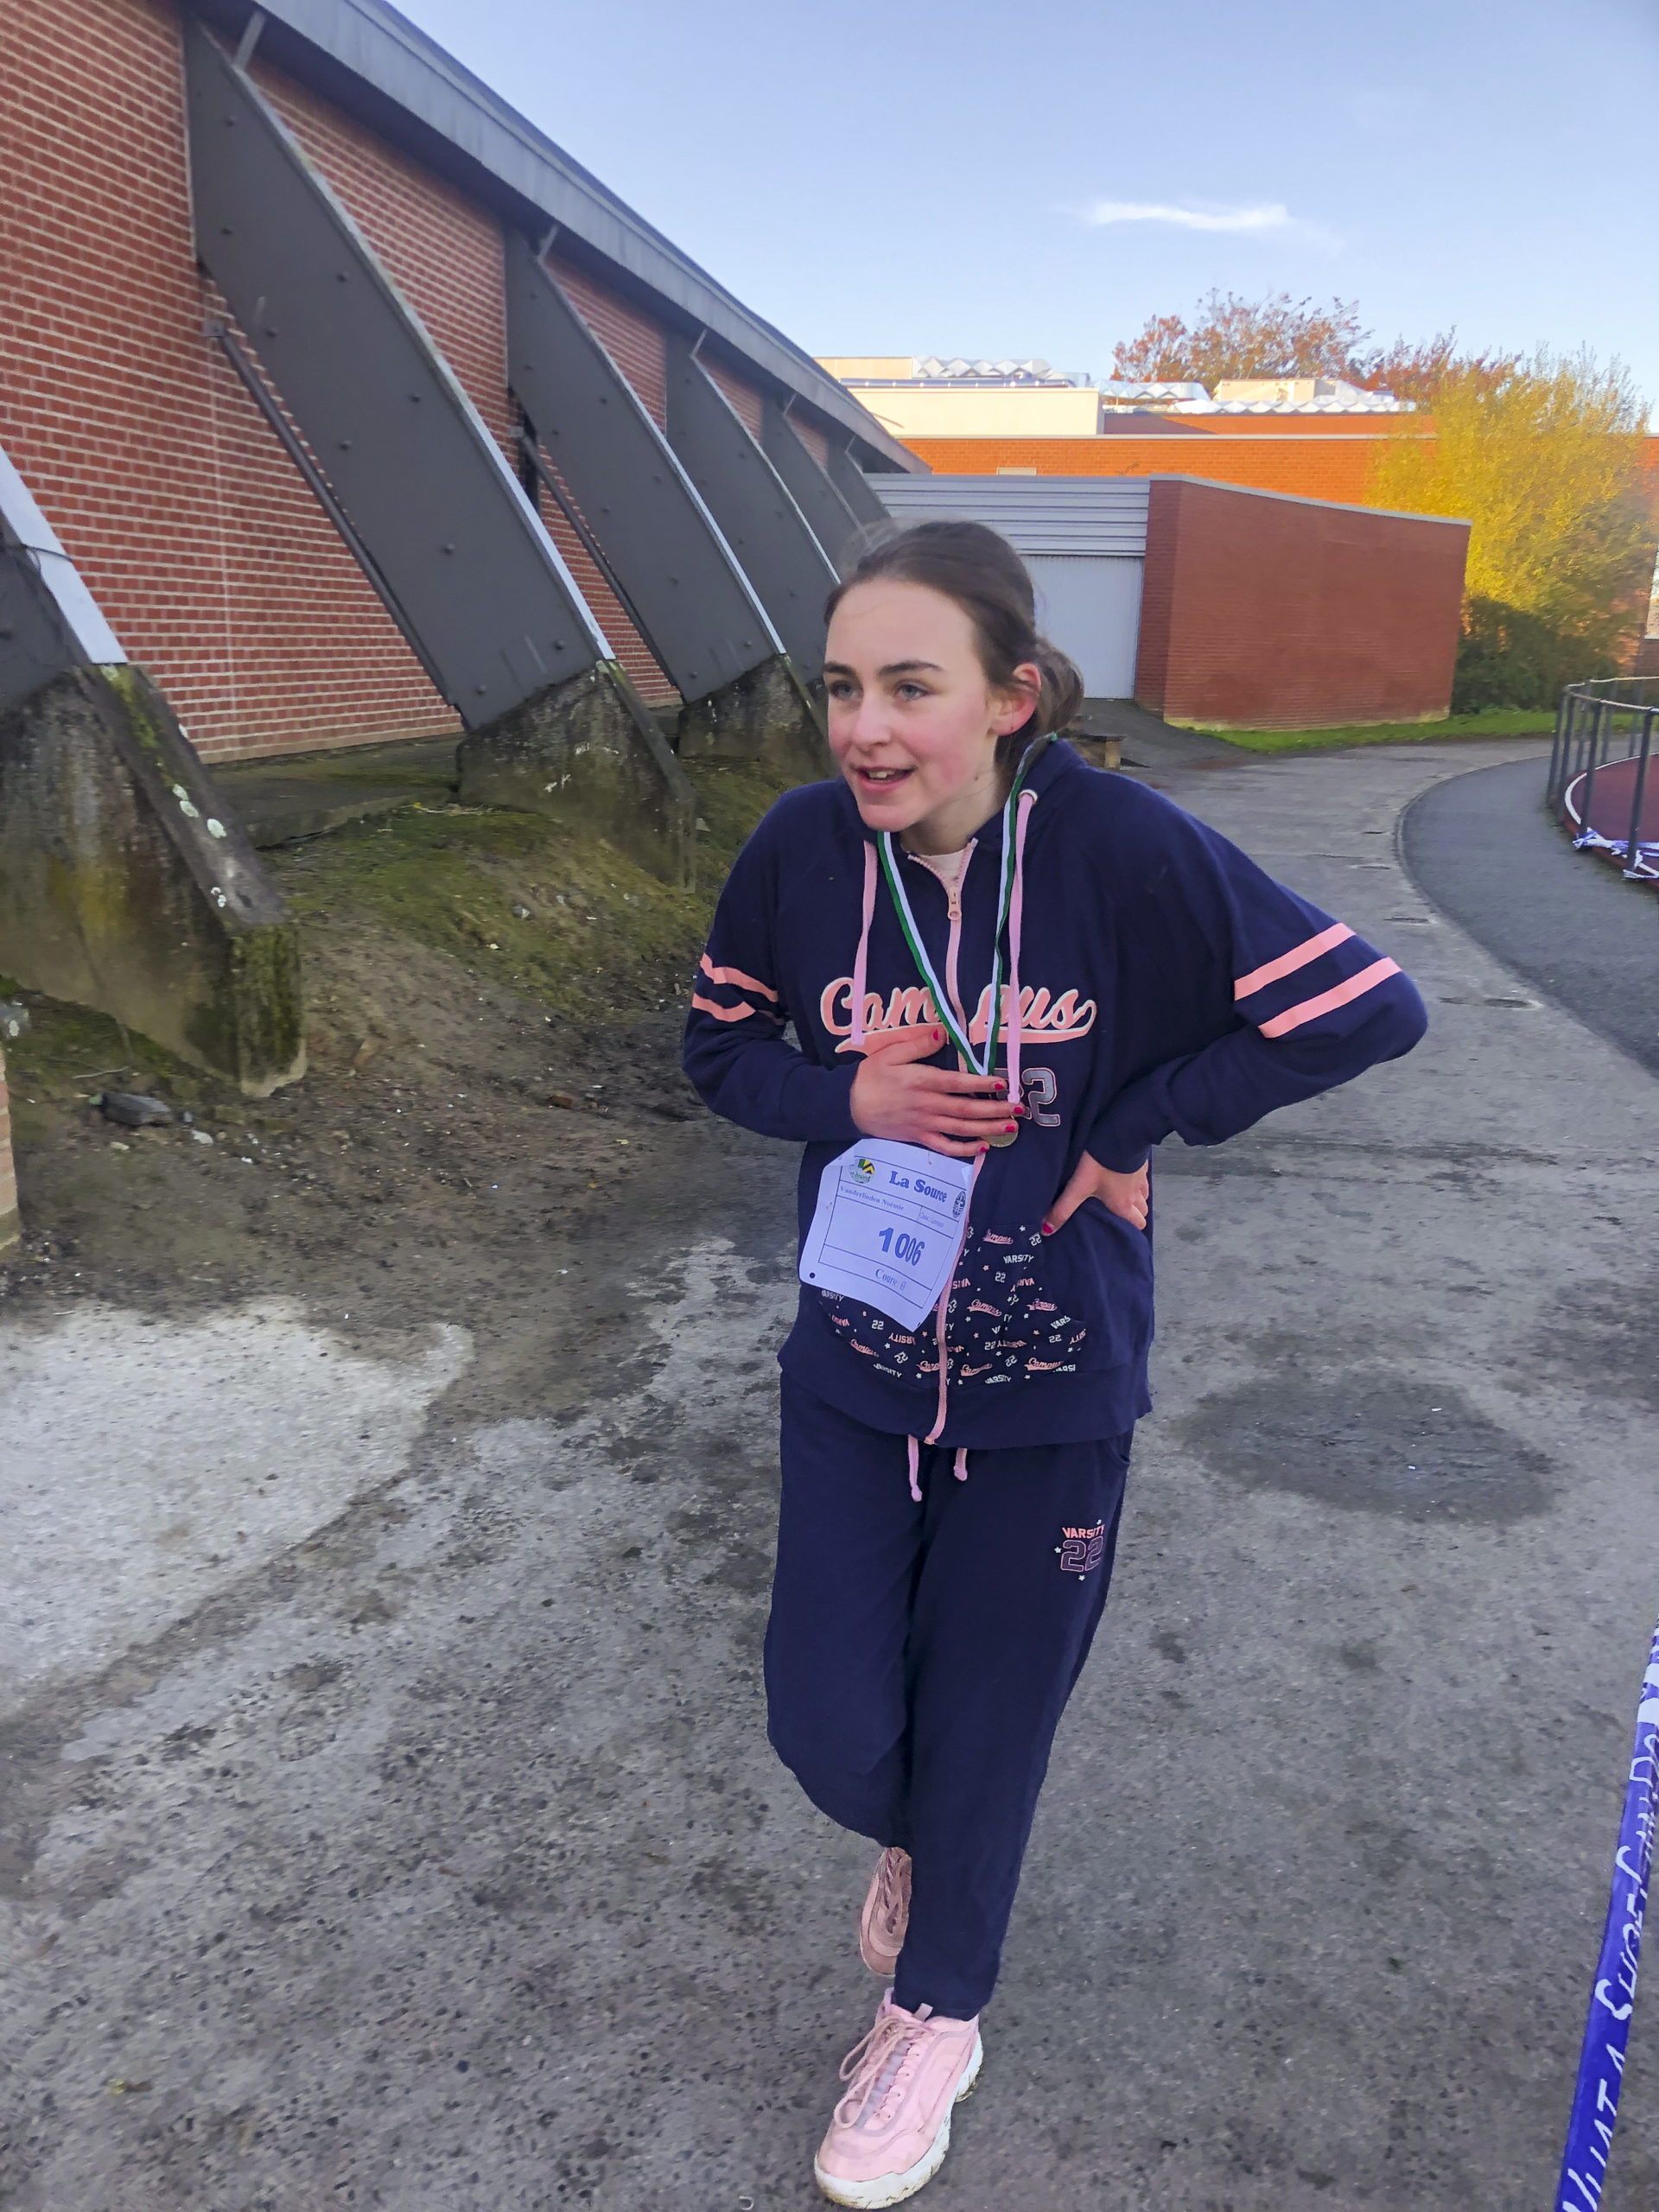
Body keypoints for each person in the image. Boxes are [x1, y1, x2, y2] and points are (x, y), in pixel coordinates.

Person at [683, 520, 1427, 2208]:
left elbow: (1365, 1006)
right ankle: (921, 1839)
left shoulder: (1120, 847)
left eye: (911, 687)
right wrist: (846, 1094)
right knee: (826, 1721)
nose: (866, 728)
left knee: (992, 1724)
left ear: (1011, 697)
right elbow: (717, 1050)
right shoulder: (802, 851)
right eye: (842, 688)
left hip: (1055, 1387)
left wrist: (1145, 1113)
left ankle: (936, 2012)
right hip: (855, 1365)